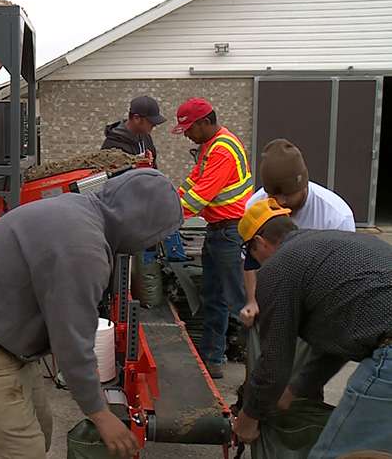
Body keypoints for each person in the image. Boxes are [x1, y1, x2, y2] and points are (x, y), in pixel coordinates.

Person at [0, 169, 182, 459]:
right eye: (153, 237)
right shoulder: (82, 249)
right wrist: (100, 415)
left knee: (42, 431)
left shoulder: (82, 211)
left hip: (4, 340)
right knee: (25, 452)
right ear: (140, 225)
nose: (148, 246)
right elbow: (72, 343)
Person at [232, 198, 392, 458]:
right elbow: (337, 346)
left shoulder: (280, 267)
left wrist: (249, 417)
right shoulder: (333, 246)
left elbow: (275, 362)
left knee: (331, 454)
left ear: (260, 243)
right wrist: (294, 390)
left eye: (254, 256)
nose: (259, 266)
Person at [172, 97, 253, 379]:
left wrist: (163, 216)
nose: (186, 135)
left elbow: (199, 197)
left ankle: (261, 364)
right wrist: (167, 199)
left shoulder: (223, 150)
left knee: (239, 301)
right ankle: (212, 360)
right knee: (214, 298)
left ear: (205, 123)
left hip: (232, 231)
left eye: (188, 129)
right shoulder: (209, 146)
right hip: (218, 230)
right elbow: (191, 183)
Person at [240, 138, 356, 327]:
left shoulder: (336, 215)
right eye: (273, 196)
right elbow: (248, 260)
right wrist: (252, 300)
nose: (281, 202)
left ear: (303, 184)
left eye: (287, 195)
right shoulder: (257, 206)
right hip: (277, 296)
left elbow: (344, 274)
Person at [101, 95, 166, 167]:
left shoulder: (145, 137)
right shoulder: (111, 147)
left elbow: (153, 167)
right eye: (150, 121)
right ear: (136, 118)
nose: (154, 125)